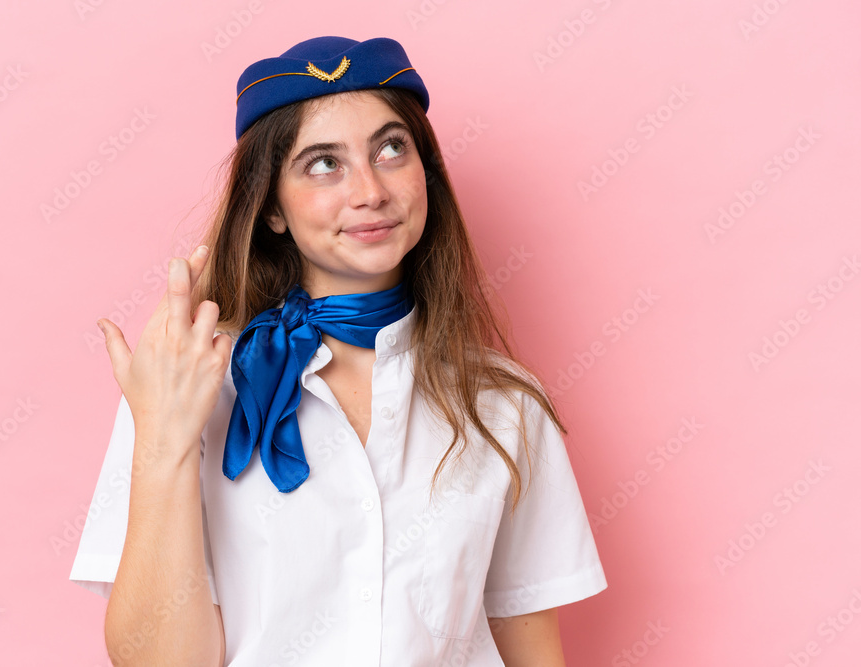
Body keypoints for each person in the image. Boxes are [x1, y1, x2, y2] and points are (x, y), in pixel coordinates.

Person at [69, 35, 607, 666]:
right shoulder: (189, 386)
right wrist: (164, 441)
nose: (371, 191)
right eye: (323, 163)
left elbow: (533, 653)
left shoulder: (506, 405)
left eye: (390, 148)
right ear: (271, 205)